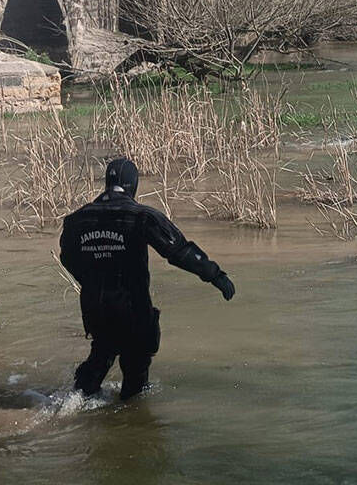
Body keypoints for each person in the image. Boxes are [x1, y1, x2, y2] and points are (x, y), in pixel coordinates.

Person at [59, 159, 235, 401]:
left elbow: (67, 259)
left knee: (101, 354)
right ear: (133, 184)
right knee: (136, 377)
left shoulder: (75, 220)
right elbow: (179, 251)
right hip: (131, 308)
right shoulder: (141, 216)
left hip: (94, 308)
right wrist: (215, 275)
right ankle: (130, 422)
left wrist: (92, 281)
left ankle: (74, 403)